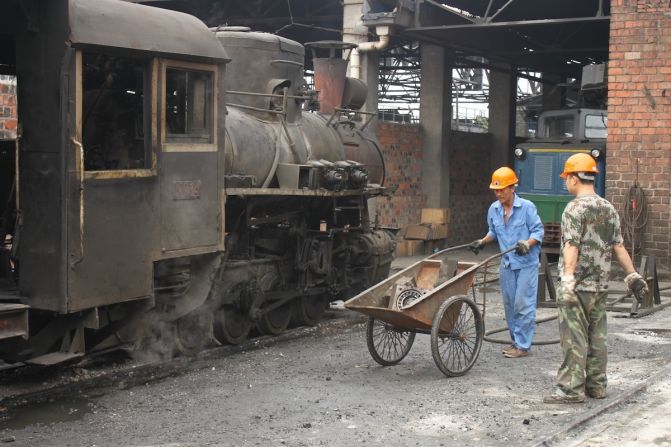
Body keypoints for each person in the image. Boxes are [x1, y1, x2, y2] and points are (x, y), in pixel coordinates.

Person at [544, 153, 648, 404]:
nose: (565, 182)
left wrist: (568, 279)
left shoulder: (574, 209)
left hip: (577, 286)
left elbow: (571, 245)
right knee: (598, 337)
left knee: (574, 337)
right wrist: (632, 275)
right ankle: (597, 386)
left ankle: (571, 390)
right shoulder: (608, 207)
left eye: (566, 178)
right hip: (600, 285)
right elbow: (619, 246)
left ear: (573, 178)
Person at [469, 167, 544, 358]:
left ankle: (523, 346)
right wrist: (482, 241)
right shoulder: (493, 209)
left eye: (502, 189)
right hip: (507, 264)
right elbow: (493, 231)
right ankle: (516, 342)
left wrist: (528, 243)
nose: (498, 193)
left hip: (526, 264)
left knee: (523, 304)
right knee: (510, 305)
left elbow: (538, 231)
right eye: (496, 190)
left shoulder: (527, 207)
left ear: (512, 188)